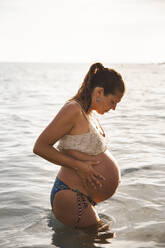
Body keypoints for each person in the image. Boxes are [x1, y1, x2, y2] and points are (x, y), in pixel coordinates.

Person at [33, 62, 125, 230]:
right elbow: (40, 147)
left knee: (101, 238)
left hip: (82, 195)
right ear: (99, 92)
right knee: (98, 238)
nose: (114, 108)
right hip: (71, 193)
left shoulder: (89, 114)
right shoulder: (73, 109)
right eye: (112, 101)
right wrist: (79, 166)